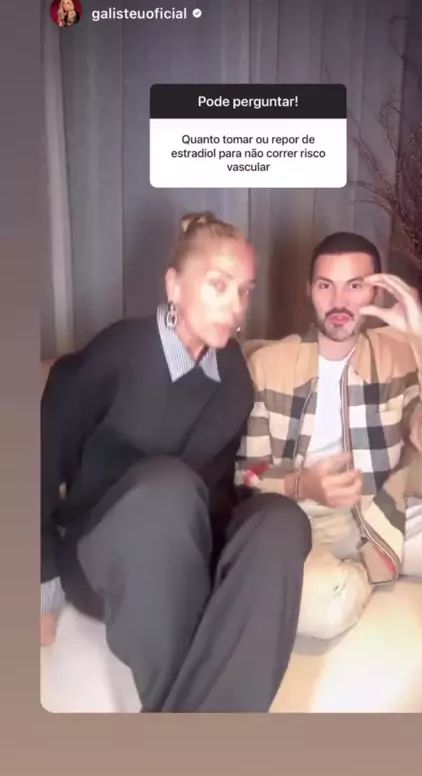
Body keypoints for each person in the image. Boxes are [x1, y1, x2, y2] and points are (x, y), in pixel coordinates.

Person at [41, 212, 311, 712]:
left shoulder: (234, 375)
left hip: (187, 548)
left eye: (245, 291)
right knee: (167, 486)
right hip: (104, 554)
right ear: (174, 285)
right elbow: (37, 462)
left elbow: (219, 487)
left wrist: (277, 501)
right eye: (219, 285)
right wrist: (42, 582)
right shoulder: (117, 354)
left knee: (282, 522)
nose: (236, 306)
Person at [236, 231, 422, 640]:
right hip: (300, 520)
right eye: (325, 285)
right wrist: (302, 485)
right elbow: (247, 473)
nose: (339, 302)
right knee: (321, 609)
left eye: (354, 286)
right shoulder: (267, 365)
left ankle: (374, 559)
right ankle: (367, 571)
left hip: (383, 509)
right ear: (309, 290)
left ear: (377, 292)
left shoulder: (399, 356)